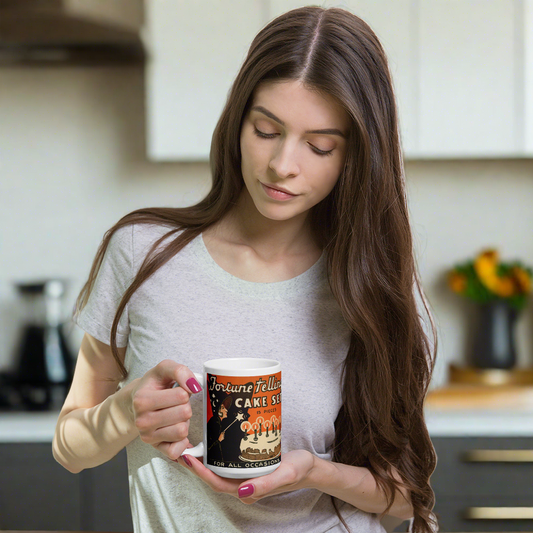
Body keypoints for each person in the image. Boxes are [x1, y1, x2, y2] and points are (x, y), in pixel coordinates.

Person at [52, 5, 438, 533]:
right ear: (238, 122)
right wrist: (125, 412)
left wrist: (315, 472)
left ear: (354, 158)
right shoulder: (141, 253)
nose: (283, 164)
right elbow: (69, 448)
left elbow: (403, 499)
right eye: (266, 130)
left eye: (320, 145)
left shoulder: (373, 283)